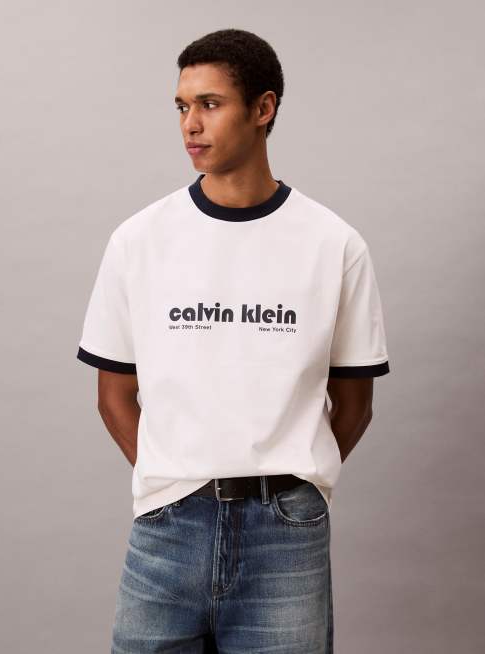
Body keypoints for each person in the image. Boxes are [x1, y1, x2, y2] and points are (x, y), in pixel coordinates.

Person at [76, 28, 390, 654]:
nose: (190, 125)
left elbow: (355, 404)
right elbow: (114, 396)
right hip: (167, 530)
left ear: (263, 109)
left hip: (286, 536)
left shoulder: (333, 245)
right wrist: (172, 480)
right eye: (181, 106)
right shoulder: (139, 241)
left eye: (210, 104)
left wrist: (294, 487)